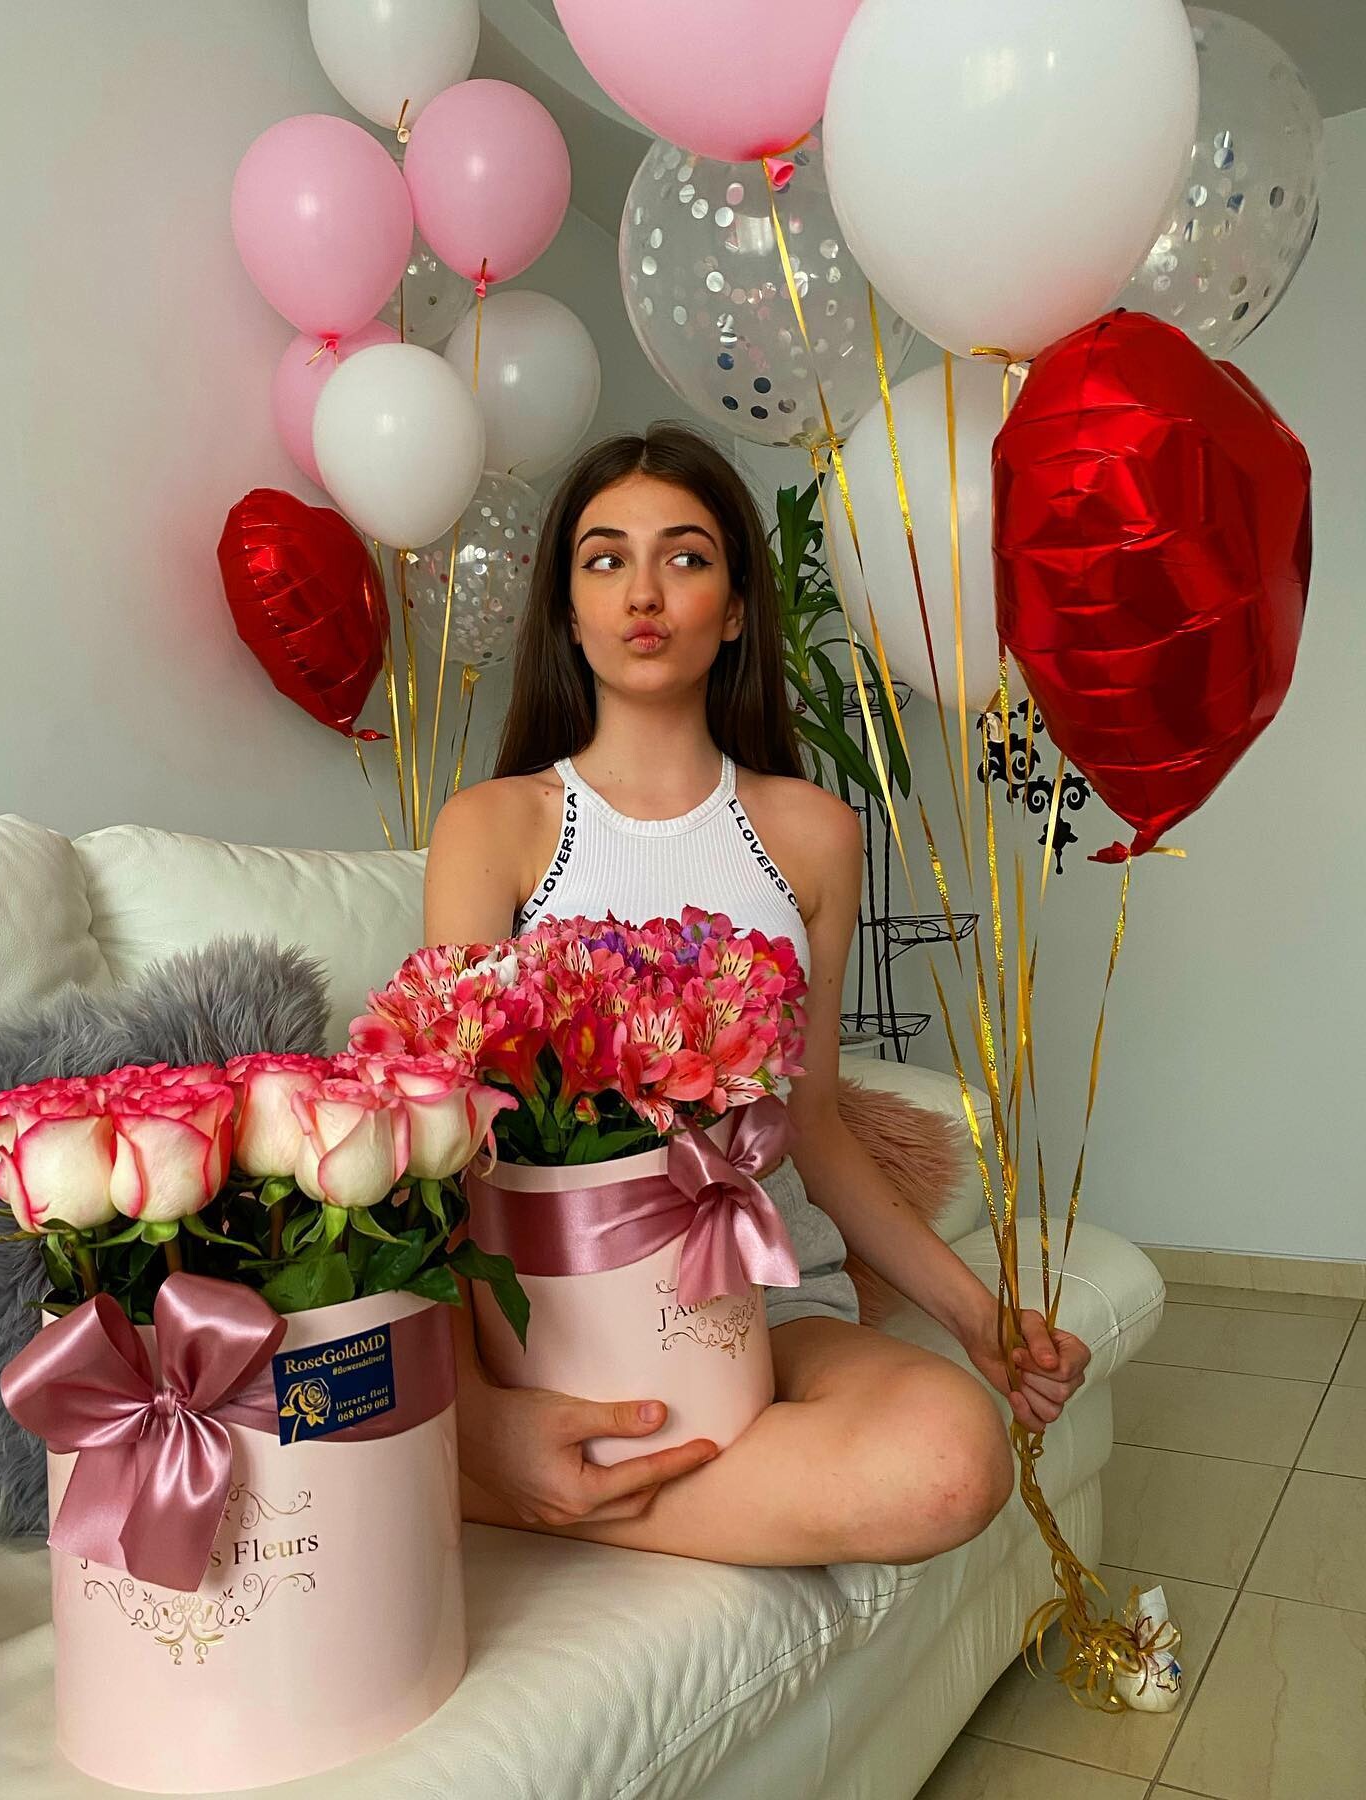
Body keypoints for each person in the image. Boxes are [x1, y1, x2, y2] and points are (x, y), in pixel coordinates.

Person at [425, 423, 1090, 1567]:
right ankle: (494, 1468)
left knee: (953, 1458)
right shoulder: (493, 827)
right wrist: (482, 1412)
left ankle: (483, 1488)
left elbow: (813, 1125)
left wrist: (978, 1320)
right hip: (555, 1308)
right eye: (604, 559)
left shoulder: (815, 834)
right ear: (568, 610)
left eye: (684, 557)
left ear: (735, 607)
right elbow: (445, 1144)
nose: (643, 592)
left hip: (767, 1290)